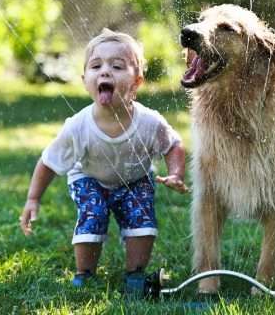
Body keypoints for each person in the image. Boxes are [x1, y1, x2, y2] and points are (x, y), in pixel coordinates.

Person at [19, 28, 188, 290]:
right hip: (89, 178)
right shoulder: (78, 126)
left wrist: (176, 173)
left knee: (142, 221)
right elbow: (48, 162)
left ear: (137, 81)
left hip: (135, 178)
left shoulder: (149, 121)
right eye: (96, 66)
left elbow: (173, 145)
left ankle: (135, 273)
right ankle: (85, 273)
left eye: (117, 66)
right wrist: (32, 199)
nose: (105, 71)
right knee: (93, 213)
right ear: (85, 79)